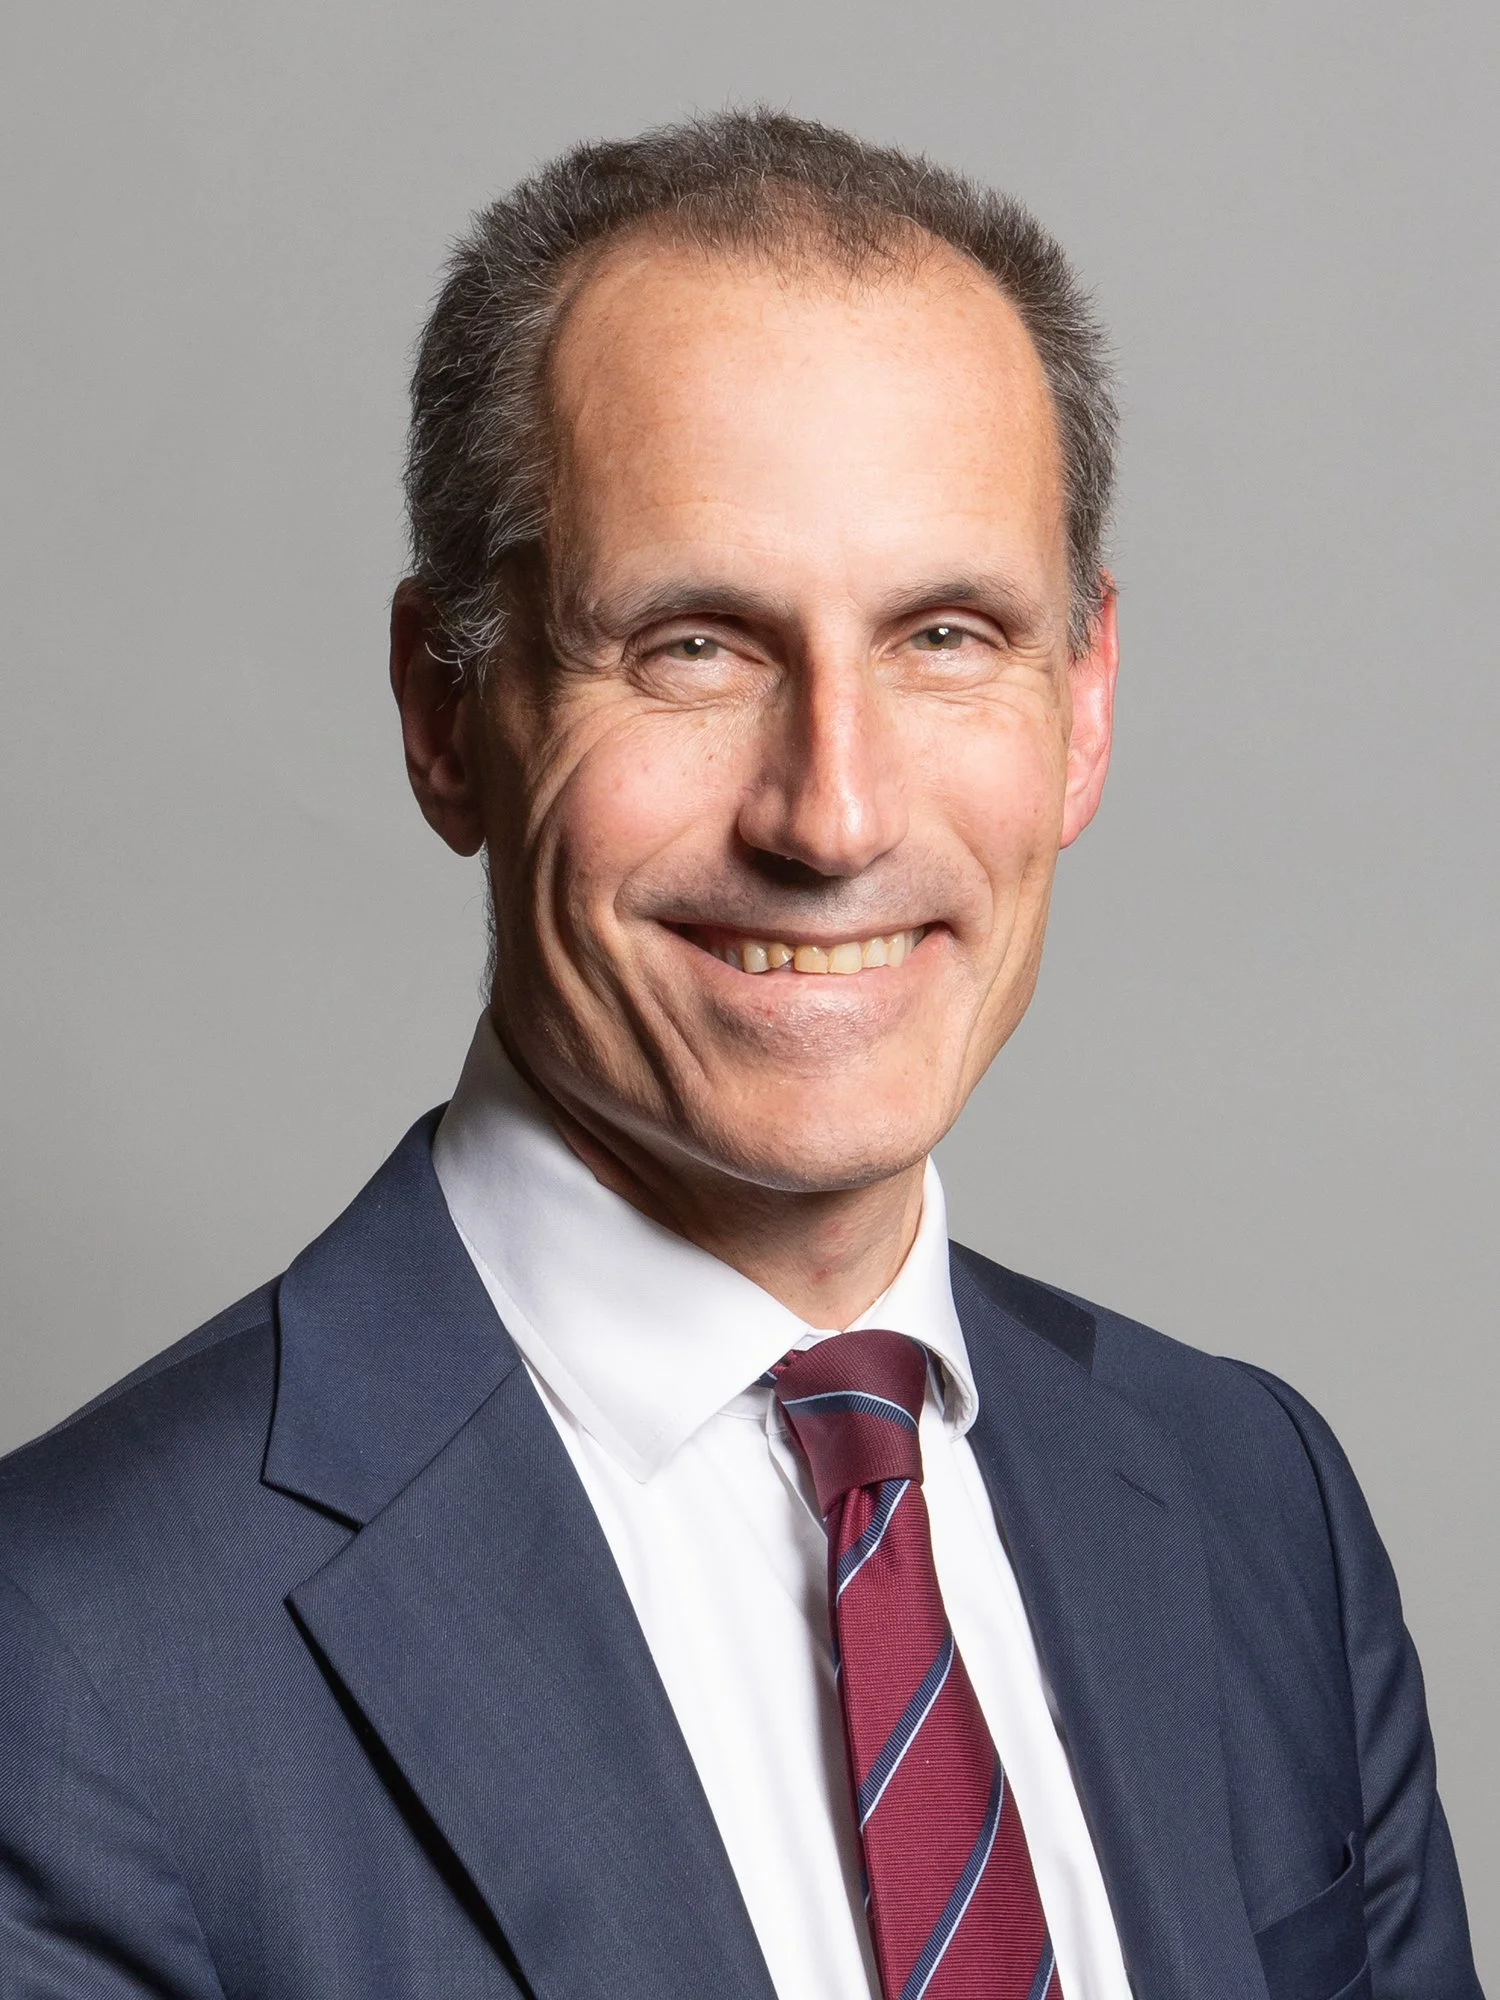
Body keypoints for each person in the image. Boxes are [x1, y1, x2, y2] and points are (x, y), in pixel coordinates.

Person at [0, 109, 1481, 2000]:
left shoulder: (1256, 1505)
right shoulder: (75, 1661)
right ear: (445, 713)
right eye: (694, 646)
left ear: (1086, 705)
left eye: (946, 634)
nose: (834, 813)